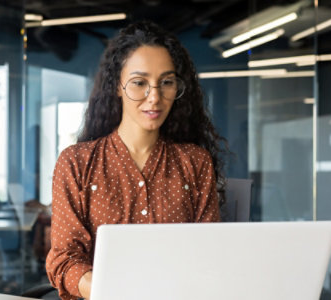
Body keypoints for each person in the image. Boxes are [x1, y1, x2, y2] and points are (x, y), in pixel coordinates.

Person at [46, 20, 226, 300]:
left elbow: (209, 255)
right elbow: (64, 259)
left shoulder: (195, 162)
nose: (154, 97)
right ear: (117, 86)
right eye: (139, 83)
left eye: (166, 82)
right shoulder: (77, 163)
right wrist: (110, 291)